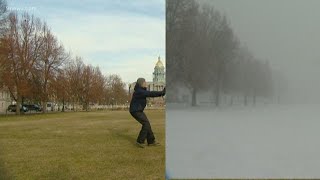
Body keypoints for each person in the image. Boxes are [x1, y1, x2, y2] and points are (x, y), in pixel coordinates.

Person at [129, 78, 166, 148]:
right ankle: (140, 141)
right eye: (145, 82)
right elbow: (150, 93)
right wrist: (162, 92)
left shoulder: (140, 90)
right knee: (146, 124)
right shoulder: (139, 91)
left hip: (138, 110)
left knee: (147, 124)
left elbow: (149, 93)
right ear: (141, 84)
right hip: (135, 111)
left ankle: (151, 141)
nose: (146, 83)